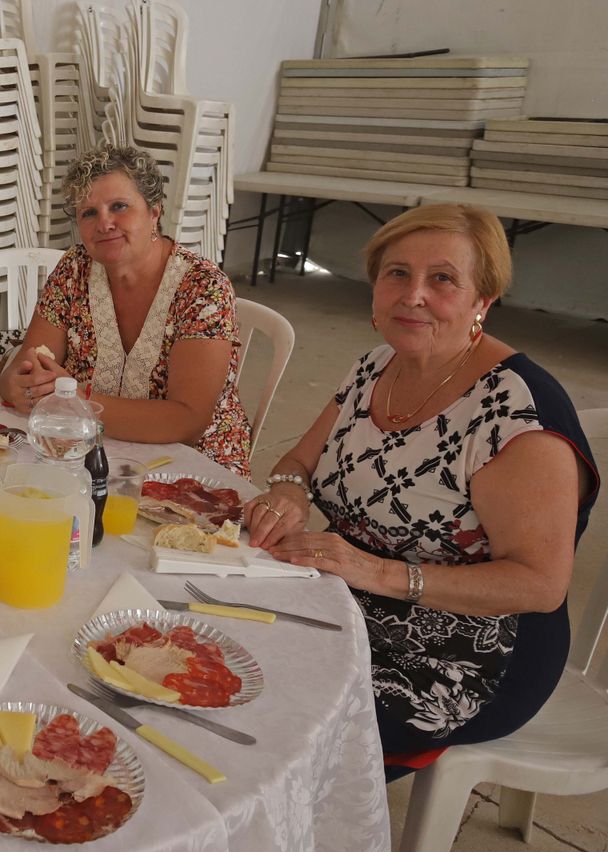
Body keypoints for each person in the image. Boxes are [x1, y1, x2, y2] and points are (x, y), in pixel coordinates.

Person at [245, 204, 598, 776]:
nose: (413, 296)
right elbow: (299, 462)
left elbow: (541, 585)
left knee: (268, 724)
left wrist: (374, 572)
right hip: (352, 598)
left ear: (483, 299)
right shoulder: (377, 364)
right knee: (199, 649)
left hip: (472, 648)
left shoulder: (514, 413)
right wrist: (288, 493)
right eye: (397, 274)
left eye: (443, 278)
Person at [0, 145, 252, 475]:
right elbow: (25, 368)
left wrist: (75, 400)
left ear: (154, 212)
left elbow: (187, 420)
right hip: (88, 452)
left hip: (193, 469)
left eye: (119, 207)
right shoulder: (75, 268)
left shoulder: (202, 288)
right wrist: (16, 386)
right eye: (88, 213)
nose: (104, 224)